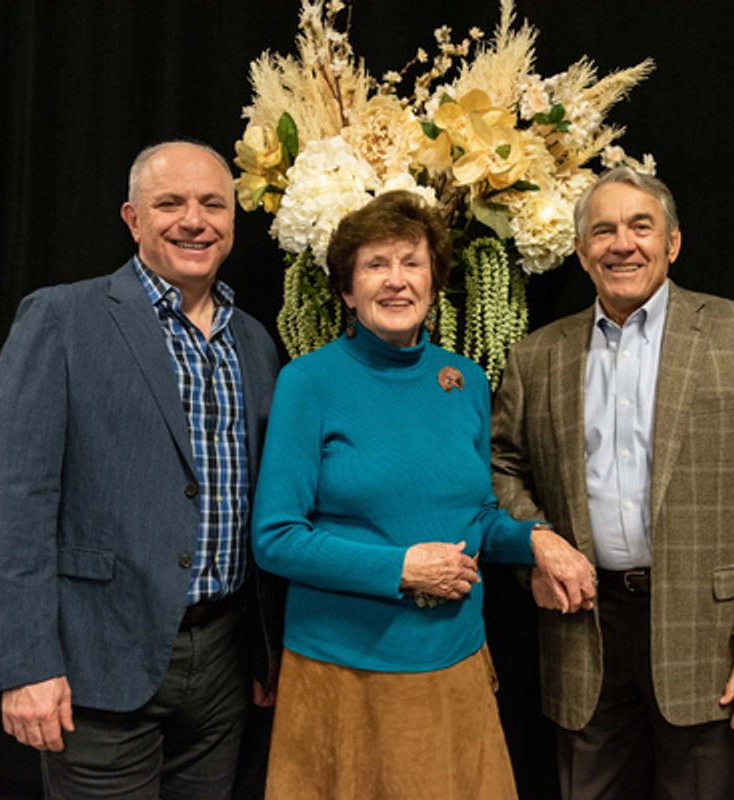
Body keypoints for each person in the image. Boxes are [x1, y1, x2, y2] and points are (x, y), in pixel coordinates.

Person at [250, 190, 595, 799]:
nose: (395, 280)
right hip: (344, 674)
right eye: (375, 265)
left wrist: (536, 539)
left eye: (411, 263)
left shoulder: (463, 382)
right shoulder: (308, 382)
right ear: (346, 290)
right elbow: (276, 539)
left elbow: (478, 516)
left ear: (434, 284)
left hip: (455, 664)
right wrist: (401, 568)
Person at [490, 167, 734, 799]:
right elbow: (501, 468)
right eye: (603, 230)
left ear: (671, 243)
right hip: (583, 631)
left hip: (715, 640)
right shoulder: (538, 356)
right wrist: (536, 543)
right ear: (582, 251)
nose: (623, 244)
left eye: (641, 227)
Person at [0, 140, 282, 799]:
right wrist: (26, 664)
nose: (194, 221)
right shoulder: (62, 318)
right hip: (99, 657)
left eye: (212, 204)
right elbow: (15, 501)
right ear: (132, 219)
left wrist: (264, 648)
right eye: (169, 203)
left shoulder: (255, 342)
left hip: (224, 661)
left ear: (234, 220)